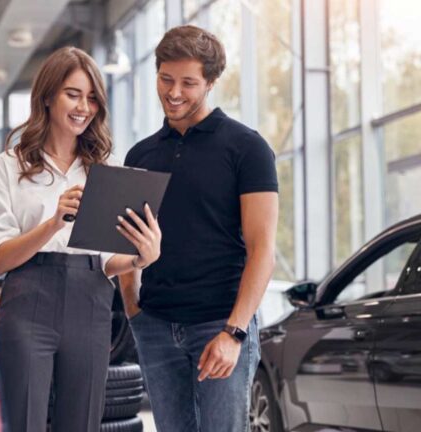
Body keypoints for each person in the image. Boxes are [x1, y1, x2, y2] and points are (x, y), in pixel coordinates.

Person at [0, 46, 162, 432]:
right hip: (28, 300)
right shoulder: (10, 166)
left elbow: (107, 258)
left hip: (91, 300)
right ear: (47, 97)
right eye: (73, 94)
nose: (84, 107)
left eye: (92, 97)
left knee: (81, 423)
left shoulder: (105, 171)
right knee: (23, 419)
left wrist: (139, 258)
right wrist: (53, 223)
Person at [119, 25, 279, 432]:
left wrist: (234, 332)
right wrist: (134, 308)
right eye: (166, 79)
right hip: (155, 325)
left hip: (219, 325)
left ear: (210, 82)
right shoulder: (141, 154)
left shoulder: (247, 148)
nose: (174, 93)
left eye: (188, 83)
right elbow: (127, 240)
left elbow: (263, 250)